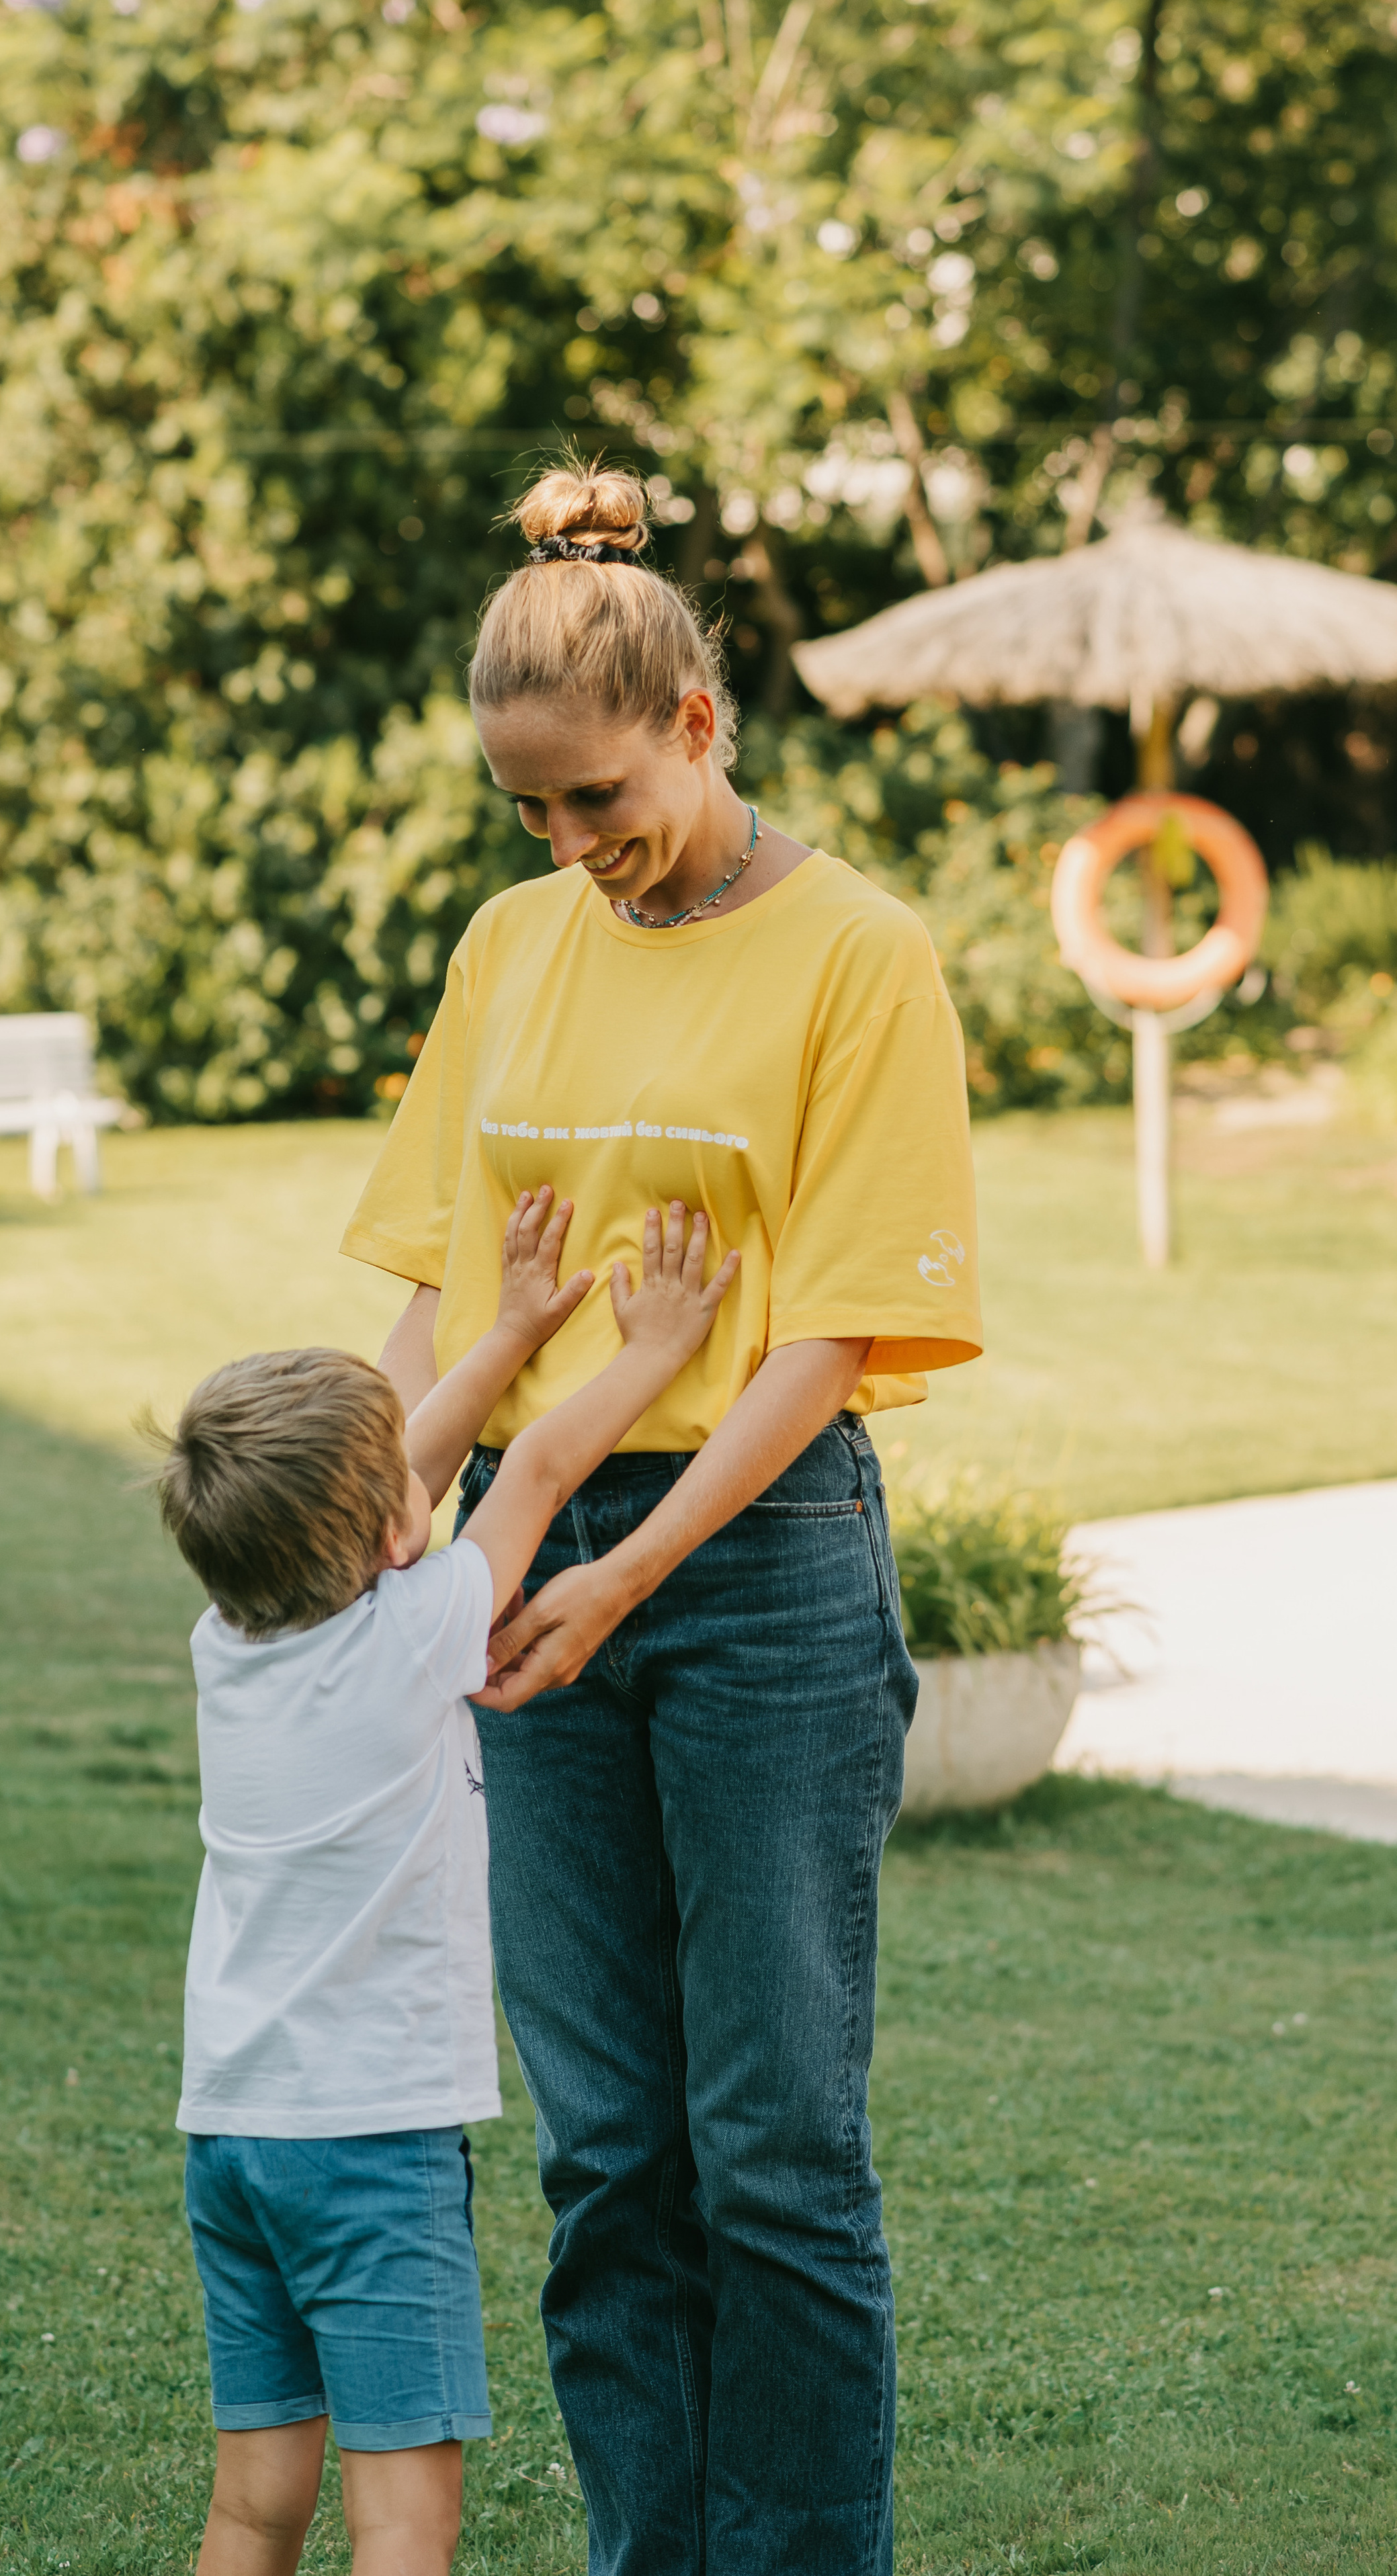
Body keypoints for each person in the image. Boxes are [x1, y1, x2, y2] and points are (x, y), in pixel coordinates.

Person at [341, 460, 984, 2575]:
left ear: (701, 727)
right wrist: (403, 1521)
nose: (570, 851)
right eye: (529, 813)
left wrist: (628, 1565)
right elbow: (444, 1261)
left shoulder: (862, 956)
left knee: (773, 2148)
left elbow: (830, 1339)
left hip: (760, 1562)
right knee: (611, 2151)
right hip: (523, 1568)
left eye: (598, 801)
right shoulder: (511, 941)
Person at [146, 1183, 739, 2576]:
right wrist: (646, 1348)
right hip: (367, 2149)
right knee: (402, 2519)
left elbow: (389, 1496)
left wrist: (511, 1325)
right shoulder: (414, 1634)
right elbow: (526, 1476)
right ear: (398, 1532)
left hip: (232, 2133)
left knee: (253, 2505)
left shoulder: (225, 1642)